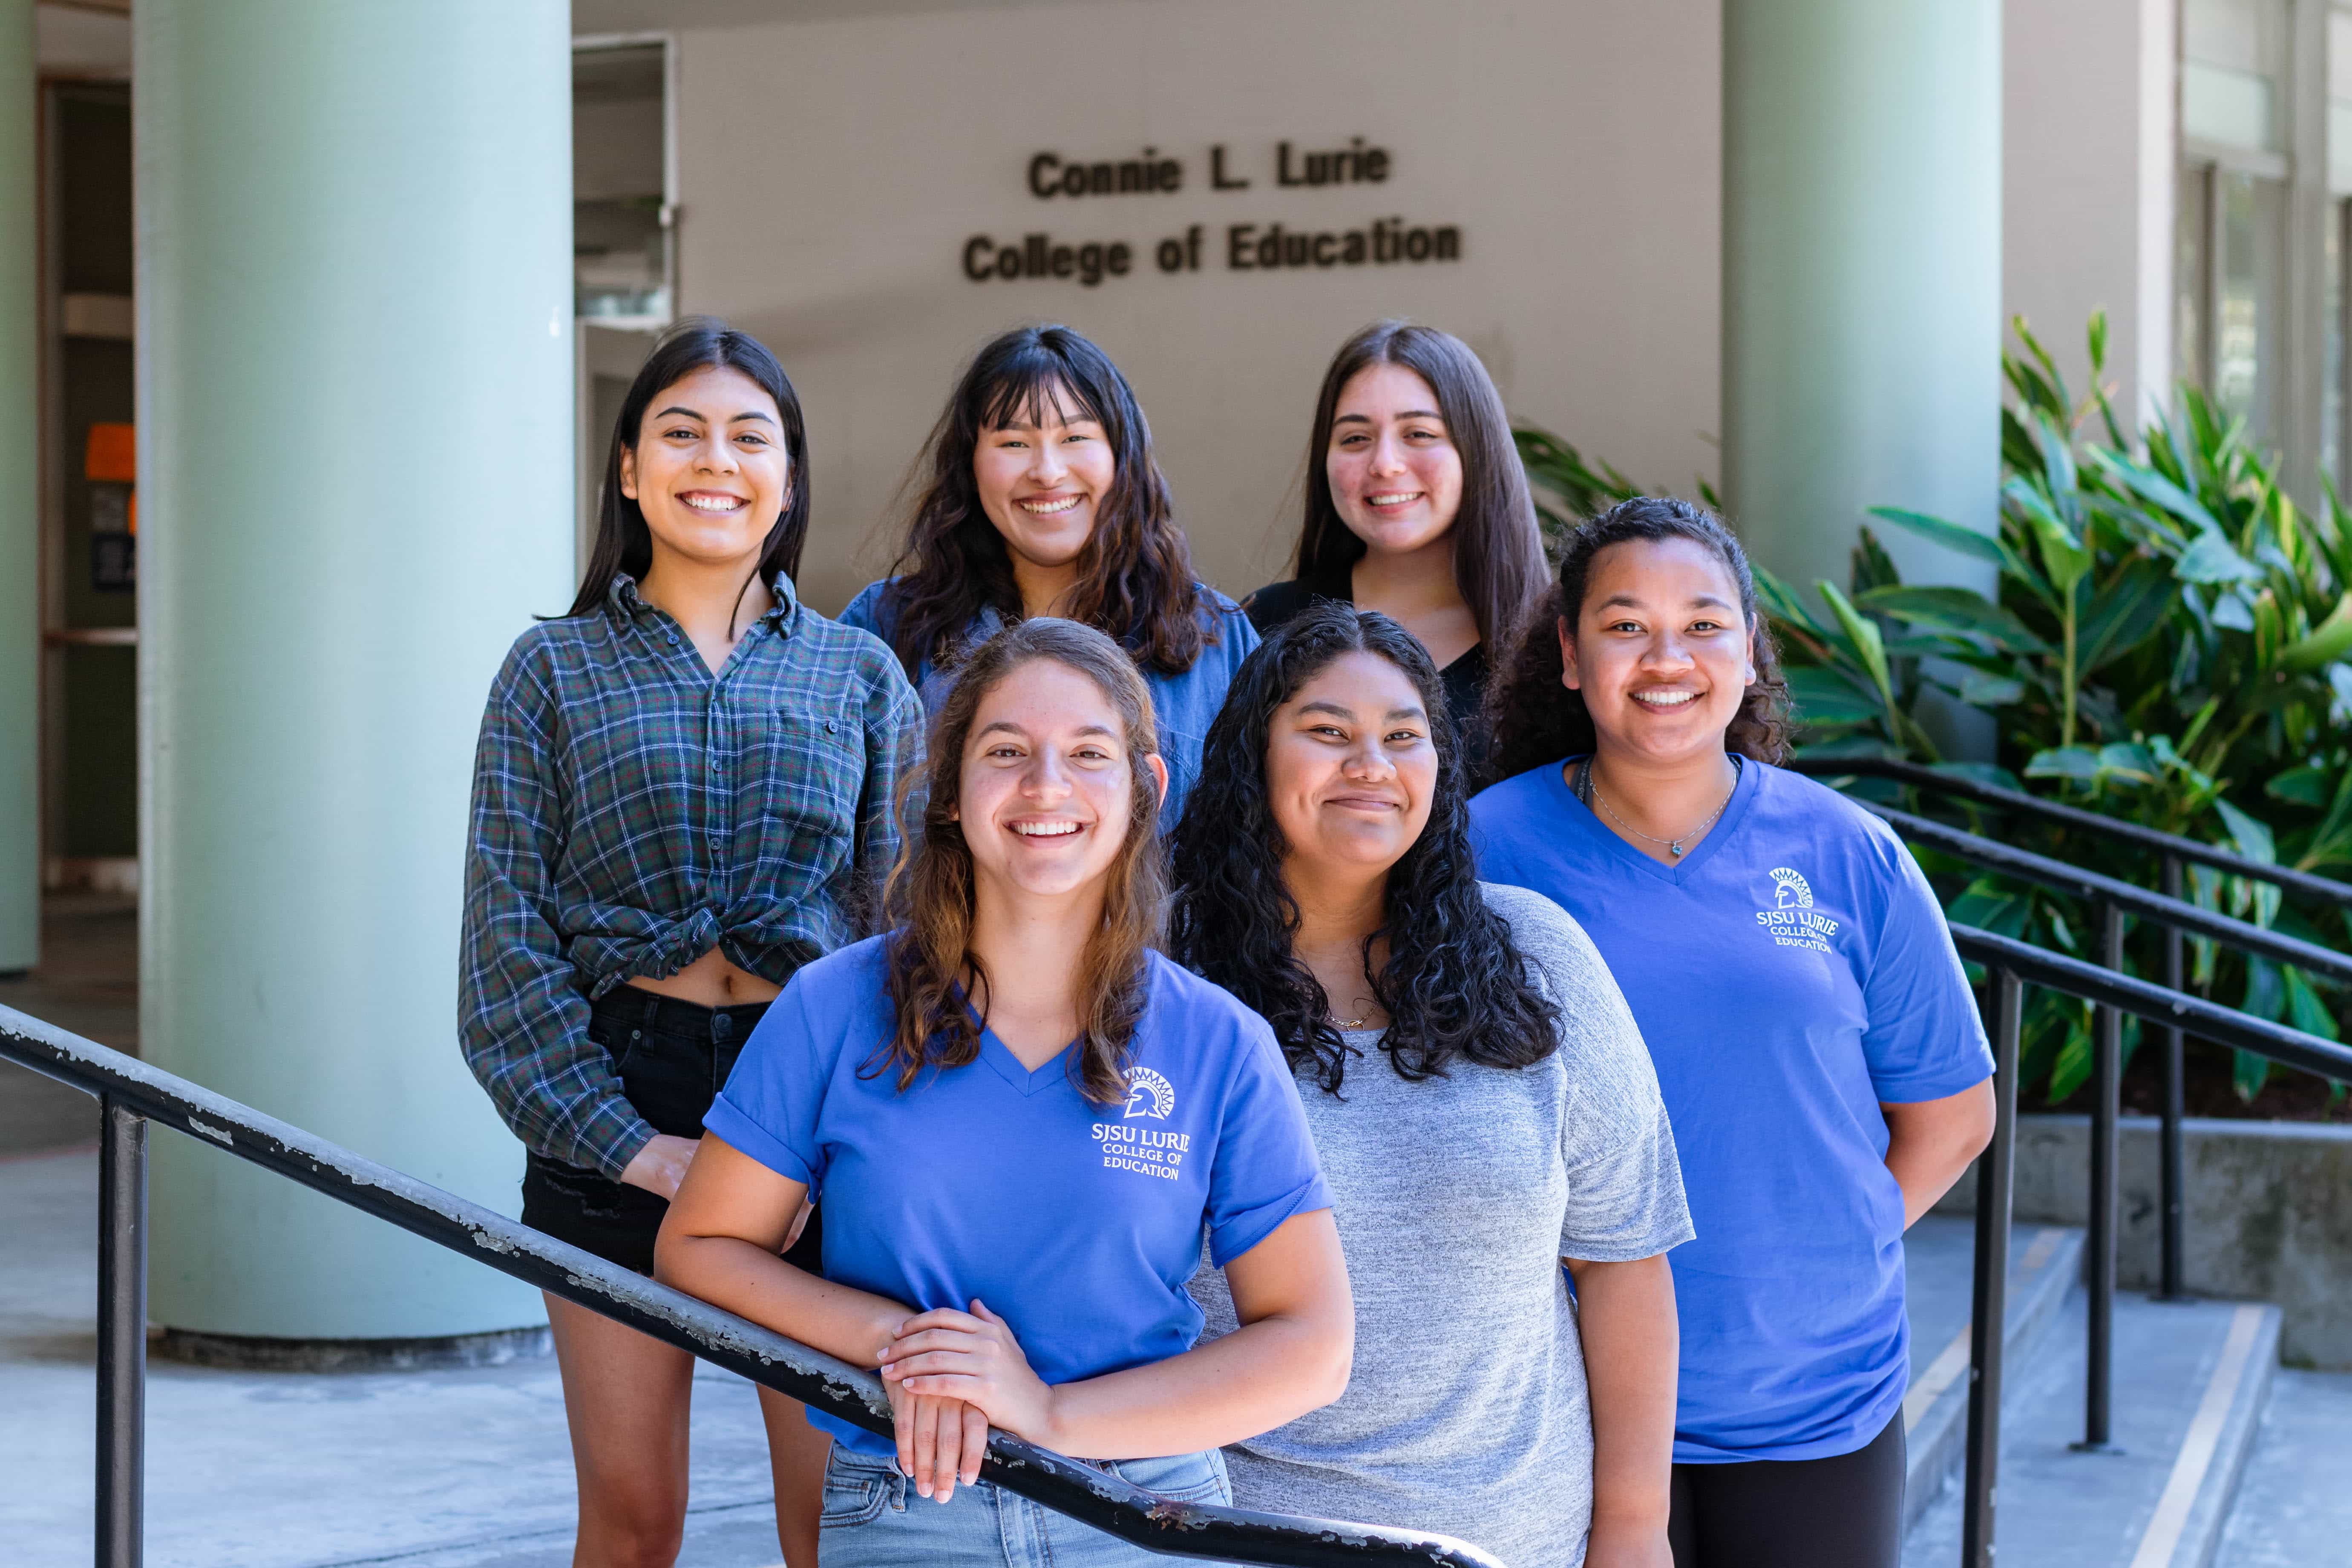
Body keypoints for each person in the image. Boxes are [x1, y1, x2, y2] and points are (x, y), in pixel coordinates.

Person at [654, 617, 1354, 1568]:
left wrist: (1051, 1410)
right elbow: (697, 1245)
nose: (1046, 786)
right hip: (912, 1501)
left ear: (1147, 789)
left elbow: (1312, 1342)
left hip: (1144, 1512)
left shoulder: (1220, 1043)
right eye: (1007, 752)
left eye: (1087, 753)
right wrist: (913, 1347)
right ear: (950, 792)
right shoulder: (832, 1005)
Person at [460, 318, 923, 1568]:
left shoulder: (862, 676)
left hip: (819, 1101)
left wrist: (865, 1130)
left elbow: (909, 931)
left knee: (829, 1516)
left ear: (787, 479)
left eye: (748, 436)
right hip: (615, 1097)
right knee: (631, 1516)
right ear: (626, 469)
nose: (714, 461)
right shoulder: (548, 673)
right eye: (680, 431)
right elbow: (504, 952)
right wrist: (635, 1150)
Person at [1469, 496, 1998, 1568]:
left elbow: (1953, 1112)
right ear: (1567, 656)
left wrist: (1819, 1249)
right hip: (1561, 1400)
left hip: (1813, 1398)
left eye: (1703, 622)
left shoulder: (1850, 852)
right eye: (1623, 625)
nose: (1666, 655)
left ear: (1748, 651)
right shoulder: (1482, 849)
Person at [1172, 603, 1692, 1568]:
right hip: (1225, 1537)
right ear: (1253, 754)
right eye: (1327, 731)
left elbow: (1625, 1258)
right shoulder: (1157, 975)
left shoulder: (1535, 951)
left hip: (1514, 1540)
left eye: (1402, 736)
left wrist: (1631, 1527)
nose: (1369, 763)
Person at [839, 323, 1258, 829]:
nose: (1048, 471)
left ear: (1121, 457)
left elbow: (1257, 839)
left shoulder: (1218, 637)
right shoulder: (885, 627)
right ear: (969, 464)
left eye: (1076, 437)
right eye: (1014, 443)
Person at [1241, 320, 1548, 778]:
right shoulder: (1264, 625)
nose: (1384, 464)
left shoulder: (1555, 645)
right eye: (1355, 438)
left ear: (1475, 450)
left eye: (1419, 434)